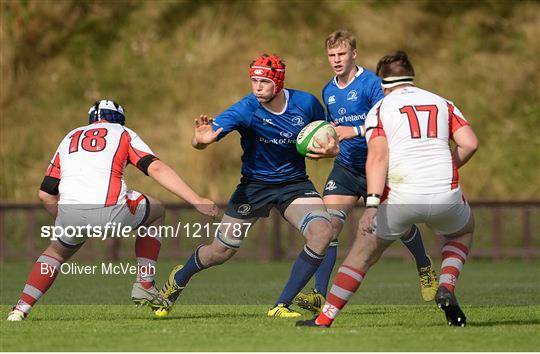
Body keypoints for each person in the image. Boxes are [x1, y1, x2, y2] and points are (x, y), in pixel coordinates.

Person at [297, 51, 478, 328]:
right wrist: (448, 169)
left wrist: (371, 206)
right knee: (462, 231)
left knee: (361, 255)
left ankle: (324, 318)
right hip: (446, 194)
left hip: (401, 197)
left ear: (382, 83)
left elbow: (378, 158)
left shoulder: (380, 109)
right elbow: (470, 144)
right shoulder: (444, 103)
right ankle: (447, 286)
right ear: (411, 76)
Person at [156, 54, 339, 318]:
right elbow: (206, 136)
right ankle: (179, 278)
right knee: (220, 252)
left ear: (278, 83)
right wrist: (201, 140)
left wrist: (331, 149)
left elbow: (327, 135)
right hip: (254, 188)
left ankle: (281, 305)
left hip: (294, 184)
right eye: (253, 80)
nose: (257, 87)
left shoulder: (306, 103)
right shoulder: (246, 108)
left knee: (323, 232)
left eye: (263, 81)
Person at [7, 100, 218, 321]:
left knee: (54, 254)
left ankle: (20, 309)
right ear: (119, 118)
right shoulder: (123, 133)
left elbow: (45, 193)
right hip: (111, 209)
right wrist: (196, 200)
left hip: (70, 212)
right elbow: (154, 167)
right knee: (156, 210)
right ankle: (145, 283)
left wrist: (73, 221)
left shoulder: (70, 136)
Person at [294, 30, 437, 314]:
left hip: (379, 164)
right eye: (331, 55)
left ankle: (424, 266)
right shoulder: (329, 90)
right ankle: (319, 294)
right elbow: (333, 130)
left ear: (353, 54)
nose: (336, 60)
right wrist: (329, 148)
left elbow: (387, 119)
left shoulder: (372, 83)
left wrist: (356, 130)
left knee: (400, 226)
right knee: (329, 227)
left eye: (342, 54)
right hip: (346, 167)